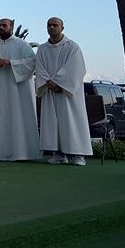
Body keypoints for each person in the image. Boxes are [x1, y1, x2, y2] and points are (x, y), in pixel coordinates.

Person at [35, 17, 91, 165]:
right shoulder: (42, 49)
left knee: (72, 122)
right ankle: (58, 154)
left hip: (68, 93)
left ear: (62, 28)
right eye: (49, 25)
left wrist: (60, 84)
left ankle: (79, 155)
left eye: (55, 25)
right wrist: (48, 82)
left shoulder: (72, 47)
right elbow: (39, 68)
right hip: (50, 91)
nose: (52, 27)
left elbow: (76, 68)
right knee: (53, 123)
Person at [0, 18, 39, 161]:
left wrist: (10, 63)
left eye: (4, 25)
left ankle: (23, 153)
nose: (1, 28)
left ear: (11, 27)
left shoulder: (22, 45)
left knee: (19, 118)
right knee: (1, 119)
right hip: (0, 91)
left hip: (19, 93)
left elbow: (31, 63)